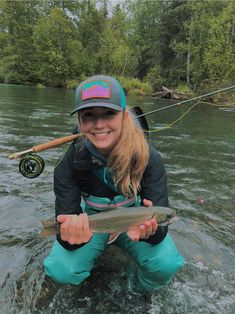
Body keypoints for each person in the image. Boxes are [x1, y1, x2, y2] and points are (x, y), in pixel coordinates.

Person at [43, 75, 184, 293]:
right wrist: (70, 238)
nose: (99, 125)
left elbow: (160, 230)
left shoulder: (148, 157)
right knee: (61, 270)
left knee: (166, 265)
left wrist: (151, 233)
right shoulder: (67, 164)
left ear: (124, 116)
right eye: (89, 116)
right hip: (95, 222)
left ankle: (138, 292)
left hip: (134, 224)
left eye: (108, 113)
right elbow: (67, 227)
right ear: (80, 121)